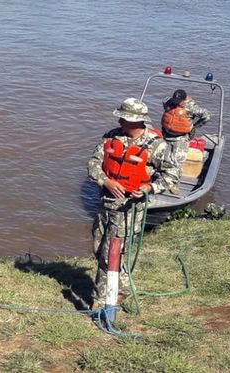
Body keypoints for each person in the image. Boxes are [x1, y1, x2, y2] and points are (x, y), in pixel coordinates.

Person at [87, 97, 180, 310]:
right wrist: (105, 181)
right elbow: (93, 163)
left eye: (124, 118)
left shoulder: (156, 145)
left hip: (129, 209)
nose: (119, 121)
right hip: (105, 205)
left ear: (136, 121)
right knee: (98, 247)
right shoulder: (111, 137)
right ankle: (122, 287)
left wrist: (150, 188)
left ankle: (102, 299)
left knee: (111, 252)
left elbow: (172, 174)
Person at [161, 89, 211, 168]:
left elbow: (207, 116)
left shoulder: (191, 108)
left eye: (179, 101)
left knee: (176, 163)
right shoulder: (168, 102)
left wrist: (195, 126)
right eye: (175, 100)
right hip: (166, 135)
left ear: (184, 100)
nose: (176, 103)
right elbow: (164, 101)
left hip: (181, 138)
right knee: (161, 159)